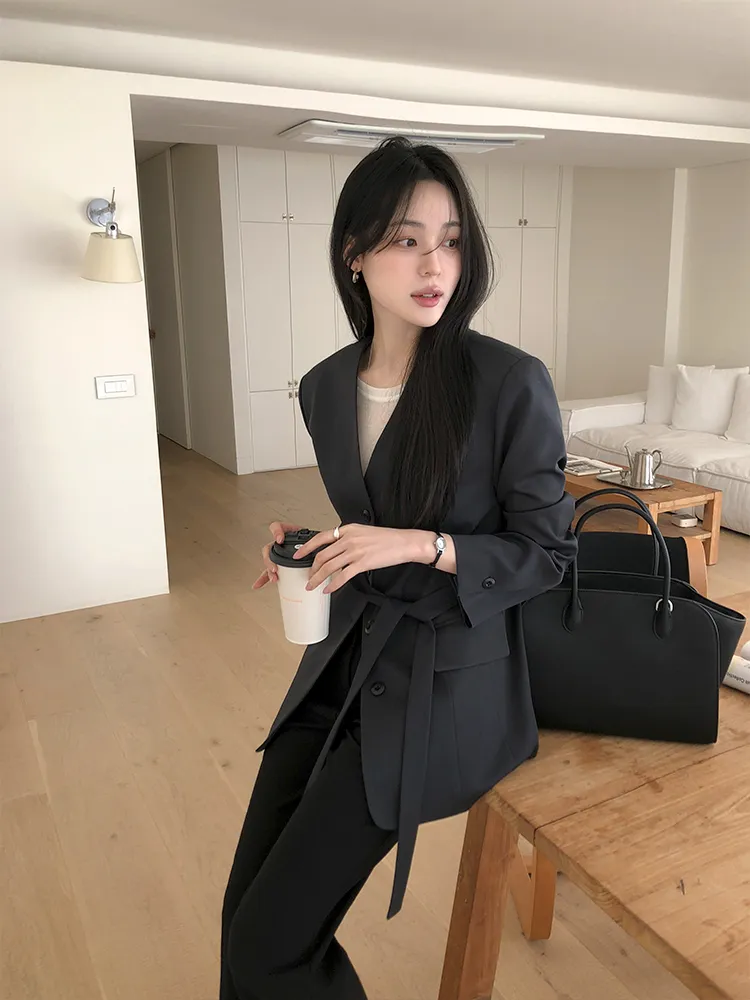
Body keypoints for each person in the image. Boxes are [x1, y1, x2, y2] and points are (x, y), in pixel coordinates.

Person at [219, 135, 577, 1000]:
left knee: (268, 945)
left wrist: (423, 544)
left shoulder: (507, 382)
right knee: (245, 925)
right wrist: (321, 543)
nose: (434, 264)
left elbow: (548, 553)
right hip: (340, 661)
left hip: (445, 688)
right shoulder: (324, 386)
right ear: (355, 254)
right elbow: (377, 510)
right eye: (405, 239)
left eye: (450, 240)